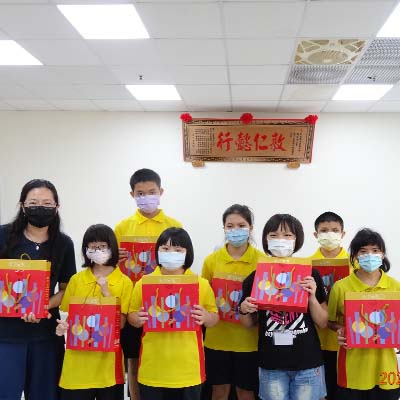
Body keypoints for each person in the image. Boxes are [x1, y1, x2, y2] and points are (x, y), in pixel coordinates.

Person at [0, 179, 76, 400]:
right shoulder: (3, 236)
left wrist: (42, 306)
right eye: (33, 202)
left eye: (47, 203)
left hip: (46, 336)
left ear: (56, 207)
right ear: (22, 206)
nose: (40, 207)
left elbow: (66, 288)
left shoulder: (64, 243)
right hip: (6, 336)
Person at [239, 214, 328, 400]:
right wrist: (245, 309)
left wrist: (311, 296)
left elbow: (322, 322)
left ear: (297, 240)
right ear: (266, 239)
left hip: (307, 362)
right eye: (274, 235)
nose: (281, 240)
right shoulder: (255, 277)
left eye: (287, 235)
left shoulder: (311, 274)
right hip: (271, 363)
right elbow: (248, 324)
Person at [114, 168, 182, 400]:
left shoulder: (174, 225)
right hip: (134, 304)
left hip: (167, 303)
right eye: (140, 193)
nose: (146, 197)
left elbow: (182, 262)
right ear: (132, 195)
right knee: (133, 361)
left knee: (163, 357)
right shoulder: (122, 227)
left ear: (161, 192)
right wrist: (115, 258)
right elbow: (111, 267)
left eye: (152, 192)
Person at [128, 227, 219, 400]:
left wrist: (207, 317)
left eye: (178, 250)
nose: (171, 254)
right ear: (157, 252)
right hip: (152, 370)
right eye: (165, 249)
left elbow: (214, 317)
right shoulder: (144, 283)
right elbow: (132, 315)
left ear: (187, 253)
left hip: (189, 371)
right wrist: (136, 318)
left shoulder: (200, 284)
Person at [56, 224, 133, 400]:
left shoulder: (124, 282)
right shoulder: (76, 280)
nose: (98, 250)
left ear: (112, 248)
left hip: (108, 369)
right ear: (86, 250)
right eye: (93, 246)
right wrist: (62, 327)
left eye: (103, 246)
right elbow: (69, 317)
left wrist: (106, 293)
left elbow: (120, 324)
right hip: (76, 368)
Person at [328, 228, 400, 400]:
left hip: (386, 369)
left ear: (383, 254)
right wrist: (341, 330)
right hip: (352, 369)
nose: (370, 255)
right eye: (363, 251)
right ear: (355, 255)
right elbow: (330, 321)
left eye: (375, 250)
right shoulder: (340, 287)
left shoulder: (395, 286)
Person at [202, 204, 265, 400]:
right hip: (216, 339)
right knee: (219, 392)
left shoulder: (262, 261)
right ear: (224, 228)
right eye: (230, 226)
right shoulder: (211, 261)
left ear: (251, 228)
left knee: (245, 392)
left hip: (249, 341)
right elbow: (204, 297)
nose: (235, 230)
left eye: (241, 225)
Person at [309, 211, 348, 400]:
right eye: (324, 230)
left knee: (342, 392)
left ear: (343, 234)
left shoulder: (355, 264)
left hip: (345, 342)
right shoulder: (306, 265)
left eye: (335, 230)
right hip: (314, 341)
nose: (330, 234)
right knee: (318, 394)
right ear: (315, 235)